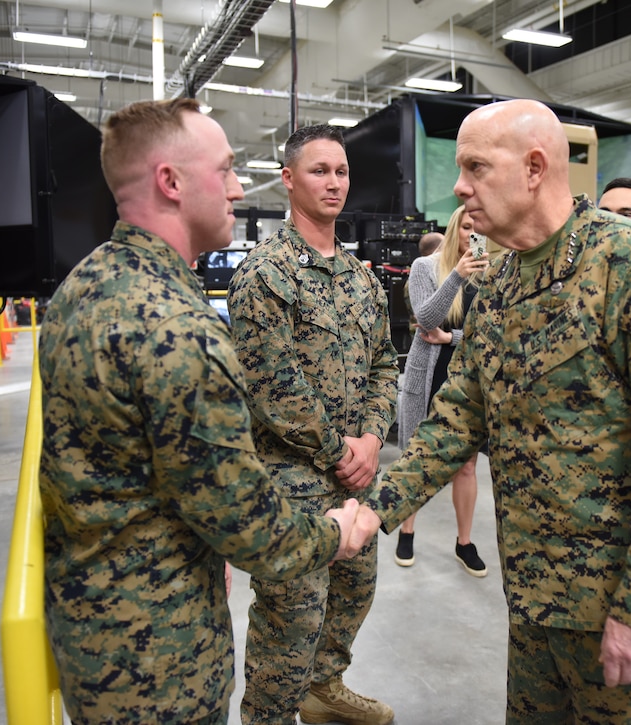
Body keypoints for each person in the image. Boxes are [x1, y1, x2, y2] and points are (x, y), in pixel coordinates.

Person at [355, 99, 631, 722]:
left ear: (534, 168)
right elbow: (454, 420)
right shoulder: (501, 285)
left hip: (621, 614)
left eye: (476, 167)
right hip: (535, 603)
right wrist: (375, 511)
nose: (458, 186)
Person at [38, 98, 366, 725]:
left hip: (95, 627)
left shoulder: (87, 284)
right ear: (171, 182)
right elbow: (248, 524)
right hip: (158, 656)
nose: (239, 188)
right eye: (226, 170)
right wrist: (337, 533)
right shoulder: (177, 327)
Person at [226, 124, 399, 725]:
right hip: (290, 480)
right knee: (290, 616)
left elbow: (385, 362)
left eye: (342, 171)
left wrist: (374, 438)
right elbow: (274, 387)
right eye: (320, 170)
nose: (334, 182)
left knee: (355, 590)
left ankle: (323, 690)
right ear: (288, 178)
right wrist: (338, 452)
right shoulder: (264, 274)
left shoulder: (362, 279)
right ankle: (269, 715)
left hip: (356, 475)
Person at [393, 205, 490, 576]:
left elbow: (488, 333)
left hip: (467, 381)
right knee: (415, 457)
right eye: (467, 226)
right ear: (455, 228)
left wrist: (451, 337)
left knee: (466, 465)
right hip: (428, 377)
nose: (472, 233)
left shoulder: (488, 273)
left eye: (479, 227)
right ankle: (407, 530)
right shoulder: (425, 268)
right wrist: (455, 276)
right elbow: (426, 318)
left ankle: (464, 542)